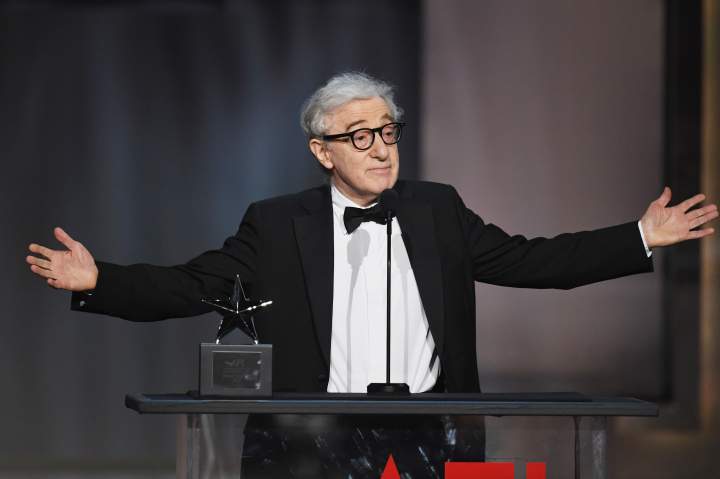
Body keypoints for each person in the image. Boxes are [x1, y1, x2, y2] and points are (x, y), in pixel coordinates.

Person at [25, 72, 718, 476]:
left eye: (388, 132)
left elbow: (534, 260)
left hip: (428, 438)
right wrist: (99, 281)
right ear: (322, 151)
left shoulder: (437, 210)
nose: (381, 149)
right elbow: (192, 284)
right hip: (309, 442)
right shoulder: (277, 223)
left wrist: (639, 237)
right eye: (361, 136)